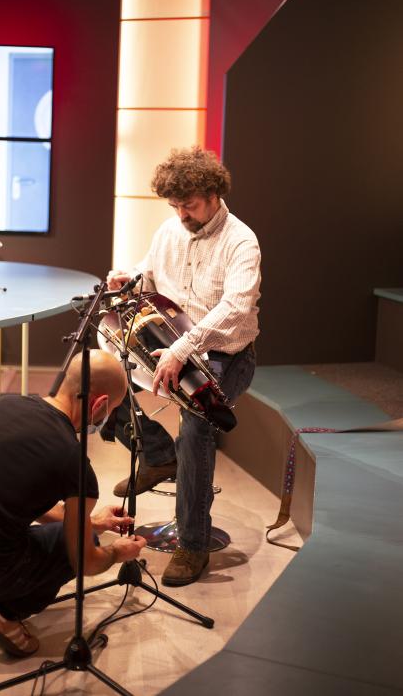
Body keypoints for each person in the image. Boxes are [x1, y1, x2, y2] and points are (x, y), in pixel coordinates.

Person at [0, 349, 147, 658]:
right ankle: (4, 615)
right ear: (100, 404)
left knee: (82, 531)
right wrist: (118, 551)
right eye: (112, 410)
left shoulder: (0, 405)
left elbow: (22, 500)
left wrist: (92, 520)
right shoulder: (73, 461)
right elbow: (85, 562)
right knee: (84, 543)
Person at [106, 145, 261, 587]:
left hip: (226, 355)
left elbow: (235, 307)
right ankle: (157, 456)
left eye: (188, 205)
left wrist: (183, 349)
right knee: (101, 373)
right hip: (172, 347)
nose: (180, 213)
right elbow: (149, 274)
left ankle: (192, 545)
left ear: (213, 193)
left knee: (195, 428)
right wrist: (129, 278)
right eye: (174, 205)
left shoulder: (241, 241)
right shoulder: (169, 231)